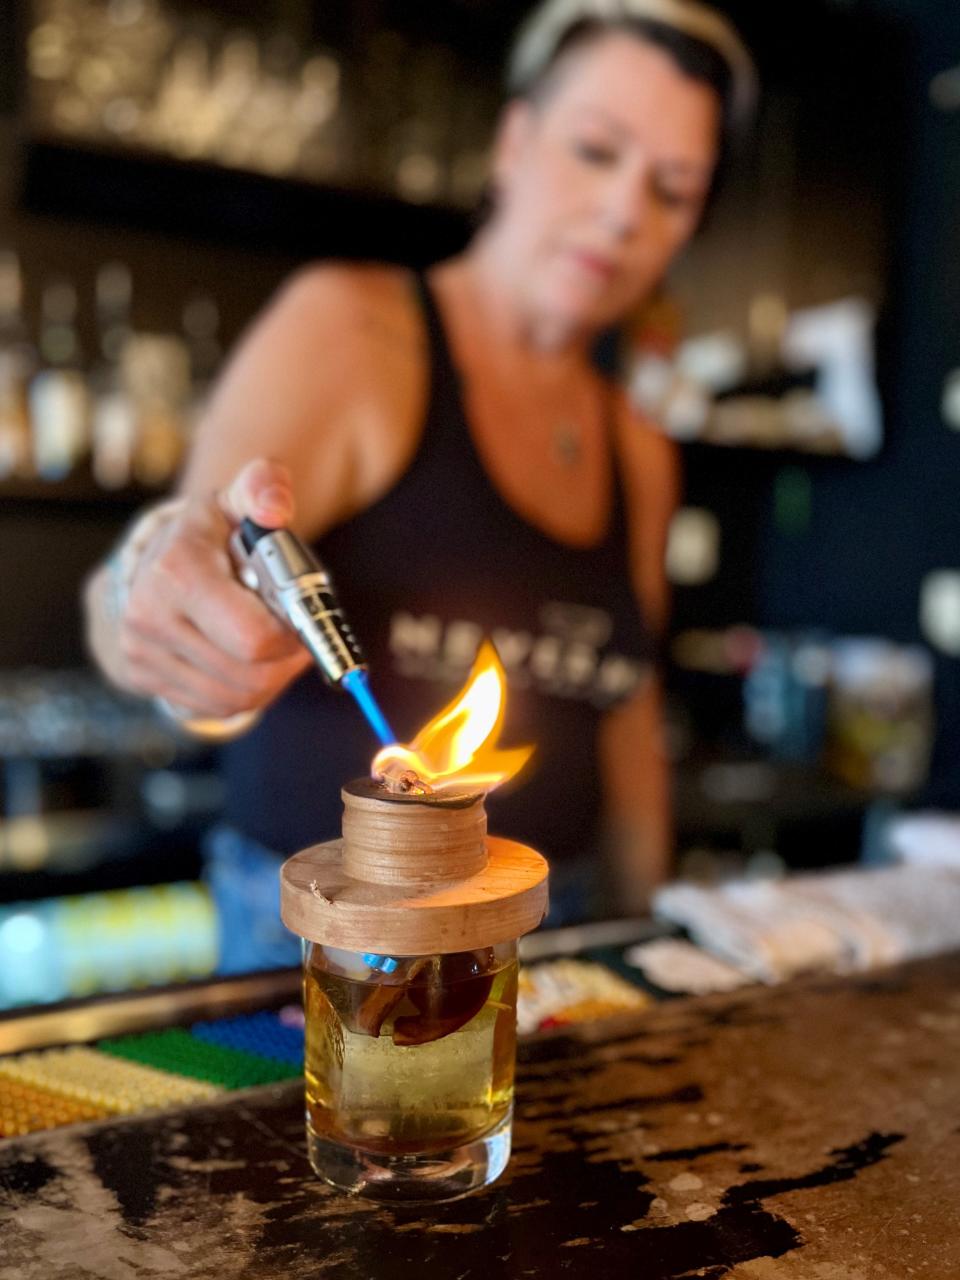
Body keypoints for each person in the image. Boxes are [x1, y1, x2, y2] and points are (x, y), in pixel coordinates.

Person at [84, 0, 756, 966]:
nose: (624, 212)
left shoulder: (638, 443)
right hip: (327, 943)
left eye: (675, 187)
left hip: (545, 934)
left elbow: (628, 715)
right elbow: (171, 573)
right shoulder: (354, 334)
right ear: (514, 142)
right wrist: (146, 593)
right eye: (596, 151)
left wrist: (647, 937)